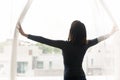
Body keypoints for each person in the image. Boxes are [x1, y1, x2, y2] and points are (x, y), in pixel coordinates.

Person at [18, 20, 118, 80]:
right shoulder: (85, 44)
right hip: (81, 77)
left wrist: (25, 35)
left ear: (71, 32)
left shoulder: (65, 45)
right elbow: (99, 39)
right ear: (83, 33)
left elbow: (44, 40)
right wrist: (111, 33)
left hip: (69, 77)